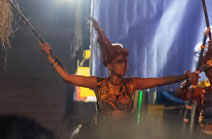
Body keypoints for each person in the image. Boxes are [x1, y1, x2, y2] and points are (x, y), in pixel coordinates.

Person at [39, 19, 189, 124]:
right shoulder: (98, 84)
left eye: (125, 62)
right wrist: (49, 55)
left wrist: (184, 76)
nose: (124, 65)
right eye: (119, 62)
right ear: (109, 66)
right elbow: (67, 77)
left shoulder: (131, 84)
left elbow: (160, 81)